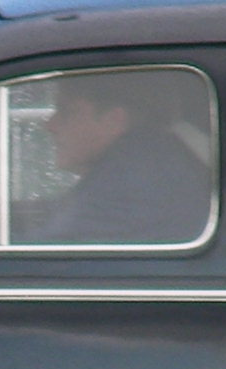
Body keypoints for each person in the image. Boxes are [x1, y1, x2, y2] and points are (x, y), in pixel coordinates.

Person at [23, 71, 211, 245]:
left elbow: (49, 253)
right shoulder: (146, 163)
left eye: (67, 112)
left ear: (114, 120)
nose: (50, 125)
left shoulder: (130, 182)